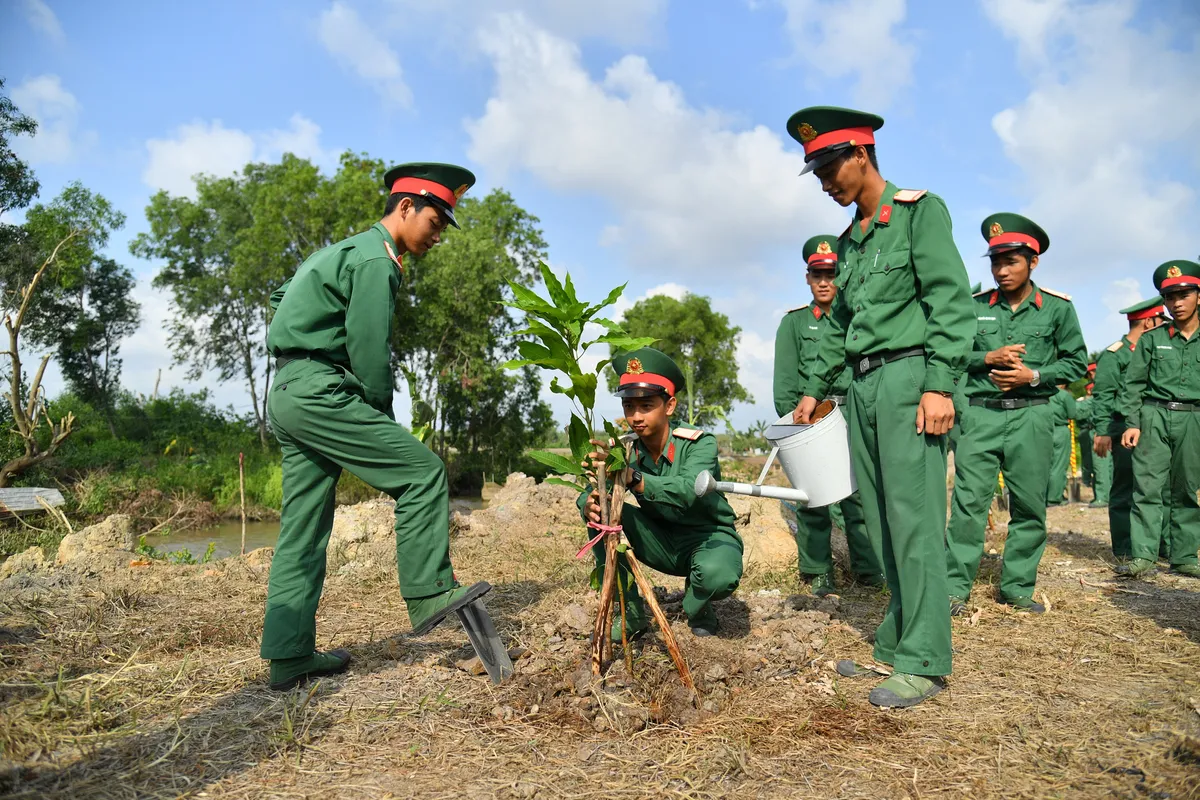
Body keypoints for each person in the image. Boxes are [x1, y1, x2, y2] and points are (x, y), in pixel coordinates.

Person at [261, 163, 490, 690]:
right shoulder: (377, 261)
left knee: (303, 530)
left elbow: (281, 299)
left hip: (289, 391)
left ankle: (289, 656)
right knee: (423, 471)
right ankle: (431, 590)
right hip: (322, 393)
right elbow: (370, 351)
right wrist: (379, 418)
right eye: (435, 222)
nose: (437, 236)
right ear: (405, 207)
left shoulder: (337, 251)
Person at [788, 106, 974, 708]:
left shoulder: (920, 213)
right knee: (884, 517)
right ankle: (896, 644)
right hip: (862, 389)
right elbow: (840, 327)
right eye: (814, 171)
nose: (822, 182)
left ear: (860, 155)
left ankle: (925, 660)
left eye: (827, 167)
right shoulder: (850, 244)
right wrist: (814, 391)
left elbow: (950, 300)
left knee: (915, 520)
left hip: (909, 381)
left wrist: (940, 384)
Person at [943, 214, 1087, 615]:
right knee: (969, 505)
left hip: (1032, 416)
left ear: (1033, 262)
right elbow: (951, 354)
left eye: (1011, 262)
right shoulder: (973, 309)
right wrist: (986, 356)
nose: (1002, 271)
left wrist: (1034, 375)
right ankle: (956, 588)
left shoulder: (1057, 309)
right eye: (995, 262)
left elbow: (1076, 363)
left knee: (1028, 506)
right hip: (981, 416)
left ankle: (1017, 588)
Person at [579, 348, 744, 638]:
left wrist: (635, 478)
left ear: (669, 406)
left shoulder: (698, 444)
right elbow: (592, 492)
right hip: (660, 539)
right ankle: (630, 613)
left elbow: (688, 490)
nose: (635, 416)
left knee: (719, 576)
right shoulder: (626, 448)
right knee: (596, 510)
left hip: (708, 536)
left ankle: (698, 606)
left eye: (646, 406)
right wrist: (593, 499)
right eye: (629, 406)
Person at [773, 235, 884, 597]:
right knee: (814, 498)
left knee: (861, 495)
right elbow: (785, 386)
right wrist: (801, 425)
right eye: (817, 274)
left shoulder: (859, 320)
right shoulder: (794, 324)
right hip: (812, 418)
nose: (825, 282)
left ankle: (869, 569)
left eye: (832, 274)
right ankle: (819, 572)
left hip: (854, 410)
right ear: (807, 278)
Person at [1117, 261, 1200, 579]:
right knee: (1147, 488)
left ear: (1198, 296)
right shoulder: (1152, 340)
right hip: (1154, 416)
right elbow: (1134, 384)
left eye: (1184, 294)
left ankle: (1184, 557)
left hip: (1194, 418)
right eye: (1170, 297)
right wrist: (1132, 422)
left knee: (1187, 490)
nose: (1177, 303)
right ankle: (1143, 556)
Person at [1091, 297, 1169, 559]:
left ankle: (1160, 545)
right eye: (1160, 321)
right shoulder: (1116, 354)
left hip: (1155, 426)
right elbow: (1103, 394)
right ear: (1149, 322)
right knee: (1126, 487)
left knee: (1159, 487)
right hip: (1122, 426)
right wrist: (1102, 431)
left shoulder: (1159, 348)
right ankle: (1125, 548)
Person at [1047, 384, 1082, 506]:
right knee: (1059, 465)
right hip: (1060, 430)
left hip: (1043, 431)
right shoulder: (1064, 395)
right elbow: (1072, 413)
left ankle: (1045, 495)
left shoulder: (1042, 393)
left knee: (1045, 465)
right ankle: (1054, 497)